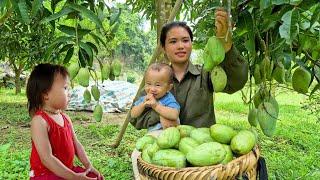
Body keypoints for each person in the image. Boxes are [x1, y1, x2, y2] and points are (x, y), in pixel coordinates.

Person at [130, 9, 248, 130]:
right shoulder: (155, 80)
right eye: (173, 41)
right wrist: (162, 114)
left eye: (185, 40)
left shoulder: (205, 74)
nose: (181, 46)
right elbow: (134, 117)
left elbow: (236, 82)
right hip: (165, 144)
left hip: (201, 145)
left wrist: (226, 46)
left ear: (191, 44)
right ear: (164, 48)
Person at [26, 63, 104, 180]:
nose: (69, 92)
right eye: (65, 88)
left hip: (67, 169)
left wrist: (88, 166)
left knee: (95, 177)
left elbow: (76, 145)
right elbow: (47, 158)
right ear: (46, 94)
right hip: (46, 174)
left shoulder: (65, 118)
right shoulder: (39, 121)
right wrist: (74, 177)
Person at [131, 63, 180, 131]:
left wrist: (156, 106)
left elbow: (174, 115)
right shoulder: (145, 98)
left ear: (169, 88)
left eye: (158, 85)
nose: (152, 89)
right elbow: (133, 114)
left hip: (170, 132)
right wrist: (143, 105)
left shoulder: (168, 98)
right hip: (154, 133)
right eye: (149, 84)